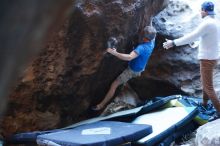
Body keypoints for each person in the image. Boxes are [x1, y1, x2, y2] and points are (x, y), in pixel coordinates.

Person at [163, 1, 220, 120]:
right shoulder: (213, 22)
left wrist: (173, 43)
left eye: (201, 9)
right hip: (210, 57)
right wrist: (197, 42)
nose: (200, 11)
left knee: (208, 87)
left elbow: (192, 35)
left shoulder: (207, 24)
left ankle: (219, 112)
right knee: (205, 84)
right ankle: (204, 104)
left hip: (207, 59)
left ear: (204, 10)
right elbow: (204, 37)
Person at [92, 25, 157, 111]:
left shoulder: (142, 48)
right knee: (123, 78)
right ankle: (124, 82)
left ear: (144, 38)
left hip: (132, 70)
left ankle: (100, 105)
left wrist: (113, 52)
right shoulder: (152, 42)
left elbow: (129, 57)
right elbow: (152, 29)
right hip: (140, 67)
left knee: (114, 85)